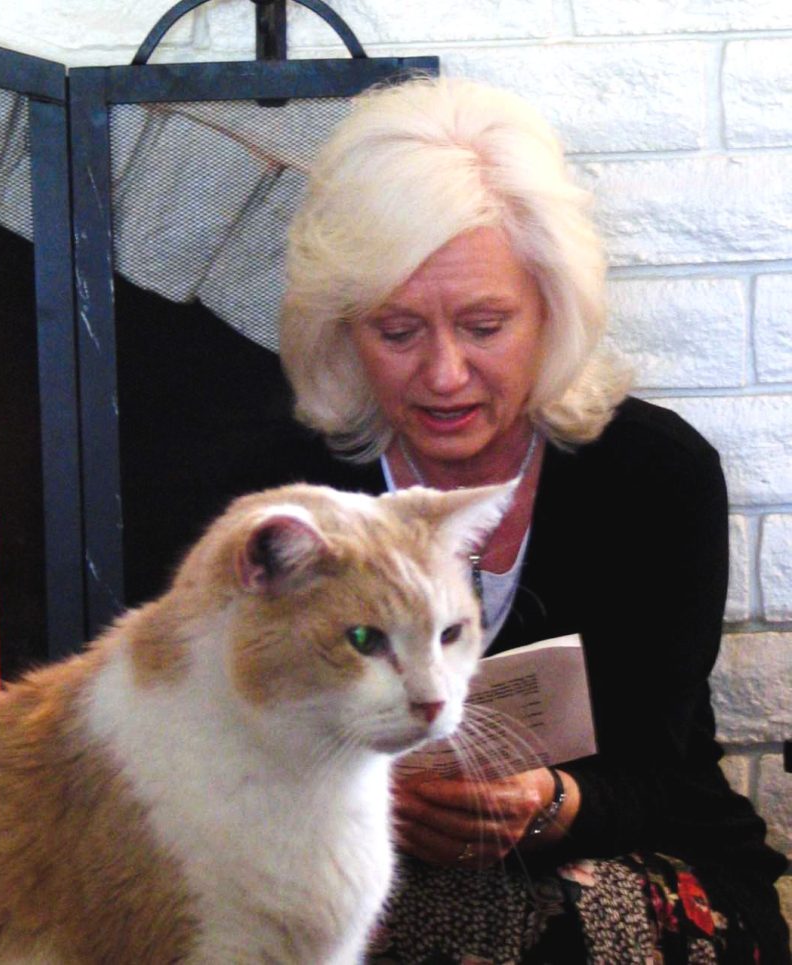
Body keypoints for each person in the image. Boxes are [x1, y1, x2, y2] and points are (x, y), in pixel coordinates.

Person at [270, 76, 790, 963]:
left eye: (484, 326)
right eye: (398, 331)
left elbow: (659, 765)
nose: (444, 374)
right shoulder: (281, 499)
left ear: (550, 310)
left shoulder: (655, 474)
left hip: (635, 846)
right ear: (342, 328)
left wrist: (553, 804)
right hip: (357, 859)